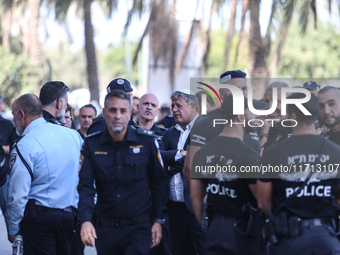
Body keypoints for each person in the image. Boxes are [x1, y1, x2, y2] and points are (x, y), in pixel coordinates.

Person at [78, 90, 167, 255]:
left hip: (138, 229)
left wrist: (158, 220)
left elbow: (158, 183)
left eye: (123, 111)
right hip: (105, 229)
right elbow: (85, 187)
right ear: (104, 113)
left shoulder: (146, 142)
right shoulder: (92, 144)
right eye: (112, 110)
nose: (117, 116)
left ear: (130, 113)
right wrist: (85, 220)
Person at [257, 93, 340, 255]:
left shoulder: (273, 152)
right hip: (326, 236)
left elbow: (263, 202)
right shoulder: (336, 152)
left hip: (289, 239)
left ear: (293, 116)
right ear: (316, 113)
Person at [5, 94, 83, 255]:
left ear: (22, 114)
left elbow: (17, 192)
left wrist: (13, 228)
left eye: (13, 115)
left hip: (39, 221)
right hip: (70, 218)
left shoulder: (25, 144)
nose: (13, 121)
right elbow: (86, 175)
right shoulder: (73, 136)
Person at [190, 94, 264, 255]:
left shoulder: (203, 153)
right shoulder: (249, 155)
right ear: (241, 115)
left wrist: (207, 227)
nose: (255, 115)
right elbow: (263, 200)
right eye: (252, 111)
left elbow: (195, 197)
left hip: (215, 228)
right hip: (244, 231)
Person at [185, 70, 265, 186]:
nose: (242, 93)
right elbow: (189, 168)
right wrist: (202, 199)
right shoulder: (205, 124)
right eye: (236, 89)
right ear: (221, 93)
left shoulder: (251, 125)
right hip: (218, 198)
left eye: (244, 89)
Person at [160, 89, 207, 255]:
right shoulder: (170, 133)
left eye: (179, 106)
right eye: (172, 106)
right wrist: (180, 154)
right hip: (173, 207)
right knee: (179, 250)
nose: (174, 110)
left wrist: (171, 165)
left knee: (203, 249)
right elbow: (158, 159)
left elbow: (197, 160)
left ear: (193, 106)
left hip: (195, 205)